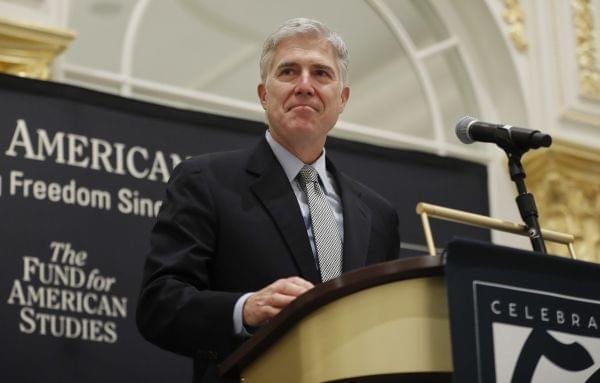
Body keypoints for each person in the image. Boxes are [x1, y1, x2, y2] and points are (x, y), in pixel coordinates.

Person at [136, 18, 400, 383]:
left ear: (342, 99)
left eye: (321, 74)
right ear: (264, 94)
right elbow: (159, 305)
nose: (304, 86)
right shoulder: (206, 181)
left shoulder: (378, 215)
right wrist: (244, 309)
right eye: (289, 71)